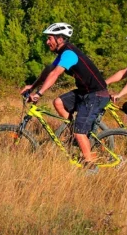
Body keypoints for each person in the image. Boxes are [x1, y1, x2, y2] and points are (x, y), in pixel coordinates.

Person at [20, 22, 110, 167]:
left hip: (96, 95)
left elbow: (56, 74)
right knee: (58, 102)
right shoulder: (63, 53)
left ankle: (91, 166)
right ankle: (75, 133)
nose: (47, 41)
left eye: (50, 38)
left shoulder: (69, 53)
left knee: (80, 133)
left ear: (60, 39)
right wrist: (32, 86)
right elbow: (49, 69)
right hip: (84, 92)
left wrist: (39, 93)